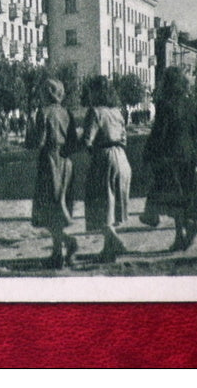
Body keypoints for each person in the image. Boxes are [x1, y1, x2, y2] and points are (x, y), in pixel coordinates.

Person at [141, 67, 197, 251]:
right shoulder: (191, 103)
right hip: (188, 154)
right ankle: (187, 226)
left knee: (173, 196)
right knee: (184, 193)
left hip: (170, 156)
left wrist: (148, 153)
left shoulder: (165, 103)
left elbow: (159, 132)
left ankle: (179, 235)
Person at [80, 77, 131, 262]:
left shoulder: (95, 112)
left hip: (104, 158)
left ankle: (116, 242)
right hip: (122, 158)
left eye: (91, 90)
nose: (90, 94)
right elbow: (124, 138)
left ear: (96, 92)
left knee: (99, 203)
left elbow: (87, 139)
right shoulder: (117, 111)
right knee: (112, 204)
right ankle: (107, 250)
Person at [30, 78, 78, 269]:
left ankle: (67, 243)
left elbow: (40, 140)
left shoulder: (43, 112)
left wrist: (31, 137)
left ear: (49, 92)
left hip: (49, 160)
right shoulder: (67, 113)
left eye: (42, 91)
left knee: (48, 206)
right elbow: (74, 140)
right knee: (60, 204)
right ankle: (57, 253)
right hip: (66, 161)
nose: (40, 95)